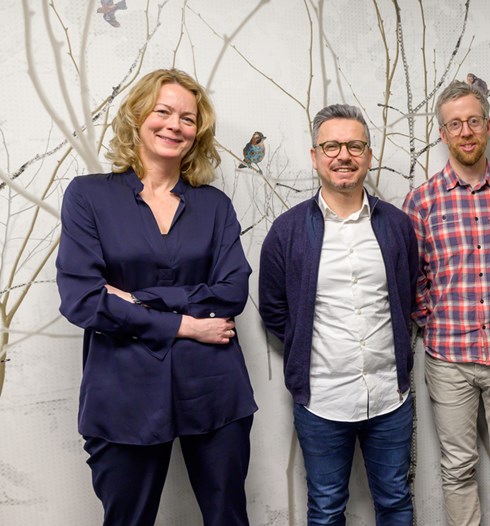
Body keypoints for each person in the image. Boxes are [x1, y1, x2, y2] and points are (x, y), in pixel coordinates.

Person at [56, 69, 256, 526]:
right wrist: (186, 324)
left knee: (228, 517)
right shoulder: (87, 197)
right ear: (138, 116)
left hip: (213, 390)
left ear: (197, 133)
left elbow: (232, 292)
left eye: (188, 118)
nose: (174, 125)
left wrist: (136, 299)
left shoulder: (215, 206)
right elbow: (82, 301)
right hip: (124, 394)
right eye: (163, 111)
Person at [258, 104, 418, 525]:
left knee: (397, 501)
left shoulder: (398, 226)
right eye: (331, 146)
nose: (343, 155)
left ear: (368, 155)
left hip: (389, 396)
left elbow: (406, 295)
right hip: (322, 400)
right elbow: (274, 309)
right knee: (327, 508)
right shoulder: (288, 231)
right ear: (315, 156)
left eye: (354, 145)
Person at [402, 80, 490, 526]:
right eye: (454, 124)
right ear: (443, 133)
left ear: (487, 126)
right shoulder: (420, 201)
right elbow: (412, 276)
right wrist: (434, 317)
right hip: (449, 359)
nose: (465, 131)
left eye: (473, 121)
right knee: (457, 468)